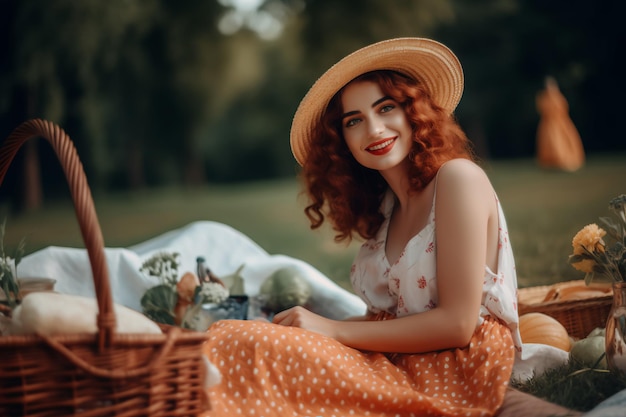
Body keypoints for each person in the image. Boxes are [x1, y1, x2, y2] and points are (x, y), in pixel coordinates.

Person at [201, 38, 574, 417]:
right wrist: (303, 327)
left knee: (249, 349)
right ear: (342, 140)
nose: (374, 130)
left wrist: (330, 330)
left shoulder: (457, 180)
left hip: (457, 364)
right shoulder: (387, 207)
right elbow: (389, 319)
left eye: (386, 108)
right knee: (237, 338)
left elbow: (457, 324)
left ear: (414, 110)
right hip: (395, 359)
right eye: (354, 121)